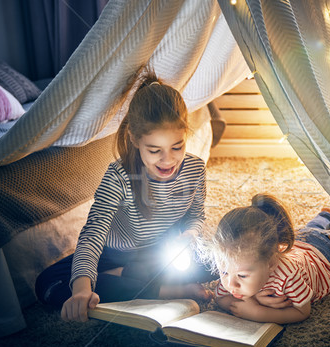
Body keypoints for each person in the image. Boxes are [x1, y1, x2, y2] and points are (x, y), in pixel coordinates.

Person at [35, 68, 216, 322]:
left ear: (186, 134)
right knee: (49, 284)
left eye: (177, 146)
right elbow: (93, 234)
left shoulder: (195, 168)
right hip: (115, 255)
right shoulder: (118, 176)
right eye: (154, 150)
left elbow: (197, 216)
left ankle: (131, 278)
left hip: (165, 252)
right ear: (134, 138)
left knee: (220, 261)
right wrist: (82, 290)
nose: (168, 160)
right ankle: (164, 289)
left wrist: (190, 234)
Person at [203, 193, 330, 324]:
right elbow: (221, 297)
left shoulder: (289, 275)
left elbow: (302, 312)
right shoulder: (234, 265)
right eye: (224, 272)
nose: (231, 284)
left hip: (326, 251)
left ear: (270, 263)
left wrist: (258, 313)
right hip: (298, 241)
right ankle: (327, 216)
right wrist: (252, 299)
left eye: (242, 276)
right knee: (308, 230)